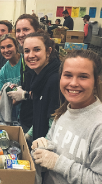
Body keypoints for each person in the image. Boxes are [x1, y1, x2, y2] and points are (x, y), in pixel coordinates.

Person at [32, 50, 102, 184]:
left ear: (96, 80)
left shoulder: (98, 125)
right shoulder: (63, 111)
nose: (73, 83)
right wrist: (43, 148)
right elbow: (54, 150)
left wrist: (58, 163)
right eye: (68, 75)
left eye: (83, 76)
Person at [15, 32, 60, 141]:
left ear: (48, 51)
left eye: (37, 49)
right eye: (26, 51)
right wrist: (29, 135)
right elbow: (41, 114)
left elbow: (54, 121)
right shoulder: (38, 76)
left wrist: (43, 147)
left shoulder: (55, 79)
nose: (31, 55)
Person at [7, 14, 40, 133]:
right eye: (18, 30)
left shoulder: (42, 61)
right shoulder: (23, 58)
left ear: (37, 31)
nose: (21, 34)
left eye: (26, 29)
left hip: (37, 124)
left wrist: (25, 94)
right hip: (26, 119)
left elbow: (46, 96)